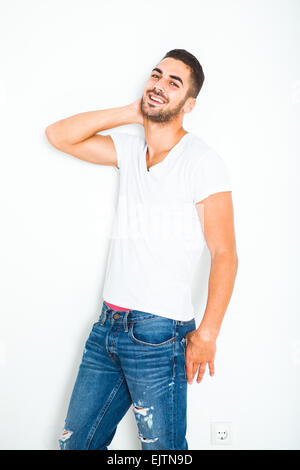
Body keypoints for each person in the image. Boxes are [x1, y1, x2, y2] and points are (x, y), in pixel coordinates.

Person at [45, 49, 238, 450]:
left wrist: (208, 334)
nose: (159, 85)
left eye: (174, 83)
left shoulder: (202, 161)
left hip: (159, 335)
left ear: (189, 104)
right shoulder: (130, 151)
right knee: (75, 444)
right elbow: (58, 135)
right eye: (156, 75)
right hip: (107, 329)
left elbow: (225, 254)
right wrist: (132, 112)